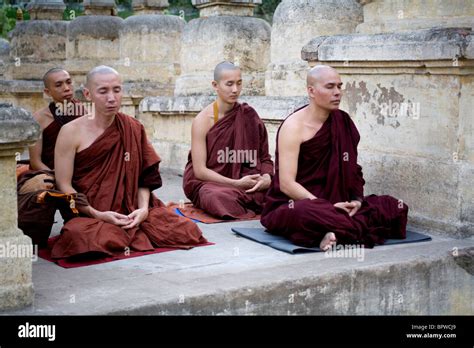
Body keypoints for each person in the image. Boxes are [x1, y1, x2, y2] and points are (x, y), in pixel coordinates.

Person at [51, 66, 207, 259]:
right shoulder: (70, 132)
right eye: (103, 91)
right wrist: (96, 214)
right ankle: (111, 233)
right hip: (88, 214)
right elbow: (63, 184)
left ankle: (122, 232)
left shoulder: (132, 127)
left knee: (186, 230)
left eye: (116, 90)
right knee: (78, 237)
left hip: (132, 211)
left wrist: (142, 210)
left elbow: (144, 178)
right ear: (87, 94)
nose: (111, 98)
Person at [261, 65, 408, 251]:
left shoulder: (343, 121)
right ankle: (344, 228)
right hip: (301, 203)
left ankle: (332, 232)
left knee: (395, 206)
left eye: (339, 86)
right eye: (330, 87)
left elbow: (353, 170)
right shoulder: (293, 127)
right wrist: (326, 207)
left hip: (340, 203)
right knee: (302, 212)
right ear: (311, 91)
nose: (337, 92)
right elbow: (287, 185)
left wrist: (356, 201)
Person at [183, 61, 274, 219]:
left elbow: (264, 158)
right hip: (211, 182)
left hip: (247, 180)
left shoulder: (249, 115)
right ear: (215, 85)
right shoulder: (202, 121)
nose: (235, 90)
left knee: (282, 190)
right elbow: (200, 171)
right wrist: (236, 184)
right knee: (215, 197)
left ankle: (245, 198)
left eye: (239, 83)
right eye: (229, 84)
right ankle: (243, 200)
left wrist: (267, 178)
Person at [17, 68, 85, 248]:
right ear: (47, 92)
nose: (66, 88)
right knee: (44, 184)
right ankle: (33, 234)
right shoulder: (39, 118)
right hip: (52, 172)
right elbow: (35, 161)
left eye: (69, 82)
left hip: (82, 171)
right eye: (59, 84)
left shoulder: (86, 113)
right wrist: (60, 176)